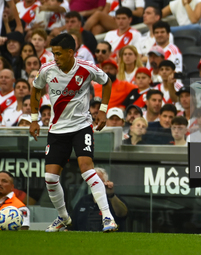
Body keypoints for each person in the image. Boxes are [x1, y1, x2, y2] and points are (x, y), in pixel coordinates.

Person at [29, 33, 117, 232]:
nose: (55, 57)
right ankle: (63, 217)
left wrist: (103, 110)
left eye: (59, 54)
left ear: (71, 53)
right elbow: (36, 90)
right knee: (50, 178)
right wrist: (34, 120)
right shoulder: (47, 70)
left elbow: (107, 81)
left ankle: (108, 218)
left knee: (87, 168)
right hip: (57, 129)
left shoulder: (86, 68)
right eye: (53, 53)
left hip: (81, 127)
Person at [68, 167, 128, 232]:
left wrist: (111, 195)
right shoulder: (83, 200)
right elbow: (72, 224)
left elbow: (122, 214)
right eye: (93, 182)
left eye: (99, 181)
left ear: (106, 182)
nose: (96, 185)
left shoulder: (114, 200)